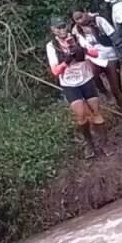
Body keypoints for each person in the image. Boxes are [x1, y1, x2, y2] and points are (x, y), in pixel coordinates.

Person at [46, 17, 106, 159]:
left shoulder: (77, 37)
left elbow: (95, 53)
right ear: (53, 30)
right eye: (58, 27)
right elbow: (55, 71)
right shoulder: (52, 46)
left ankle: (103, 143)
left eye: (63, 26)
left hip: (86, 78)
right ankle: (89, 143)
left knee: (96, 111)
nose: (62, 30)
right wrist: (66, 60)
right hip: (69, 84)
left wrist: (82, 50)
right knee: (80, 115)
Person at [72, 9, 122, 115]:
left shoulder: (98, 21)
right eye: (77, 19)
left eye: (81, 16)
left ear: (85, 13)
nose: (80, 20)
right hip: (92, 57)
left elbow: (113, 36)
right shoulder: (76, 30)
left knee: (116, 88)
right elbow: (80, 48)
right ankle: (104, 92)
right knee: (92, 73)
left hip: (109, 55)